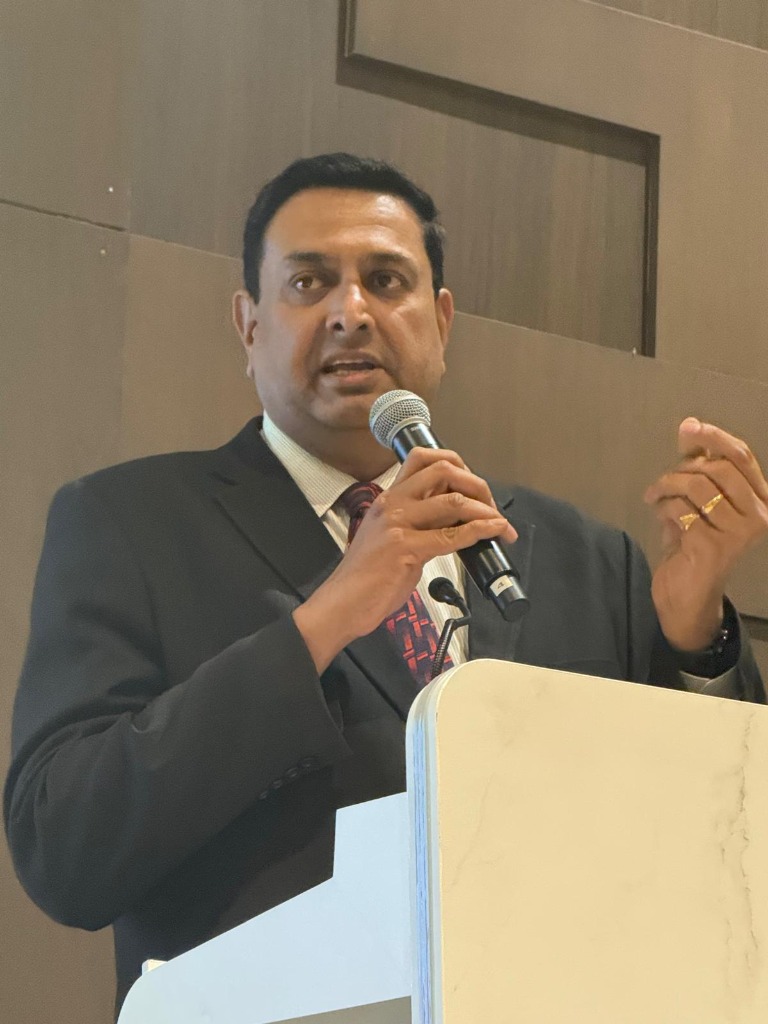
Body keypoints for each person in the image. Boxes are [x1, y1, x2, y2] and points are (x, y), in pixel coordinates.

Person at [5, 153, 768, 1014]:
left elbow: (724, 857)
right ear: (248, 326)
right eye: (309, 283)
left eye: (386, 280)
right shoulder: (132, 525)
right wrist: (326, 618)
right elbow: (64, 848)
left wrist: (691, 635)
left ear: (441, 320)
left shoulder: (585, 559)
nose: (350, 312)